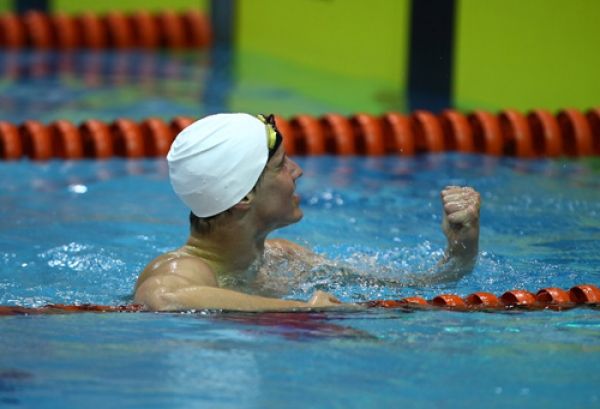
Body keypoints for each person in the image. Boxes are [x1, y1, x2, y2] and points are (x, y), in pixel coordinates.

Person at [134, 113, 481, 311]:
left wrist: (459, 250)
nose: (297, 171)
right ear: (244, 195)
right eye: (282, 165)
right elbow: (163, 298)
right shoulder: (184, 268)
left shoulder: (283, 257)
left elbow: (416, 287)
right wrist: (307, 312)